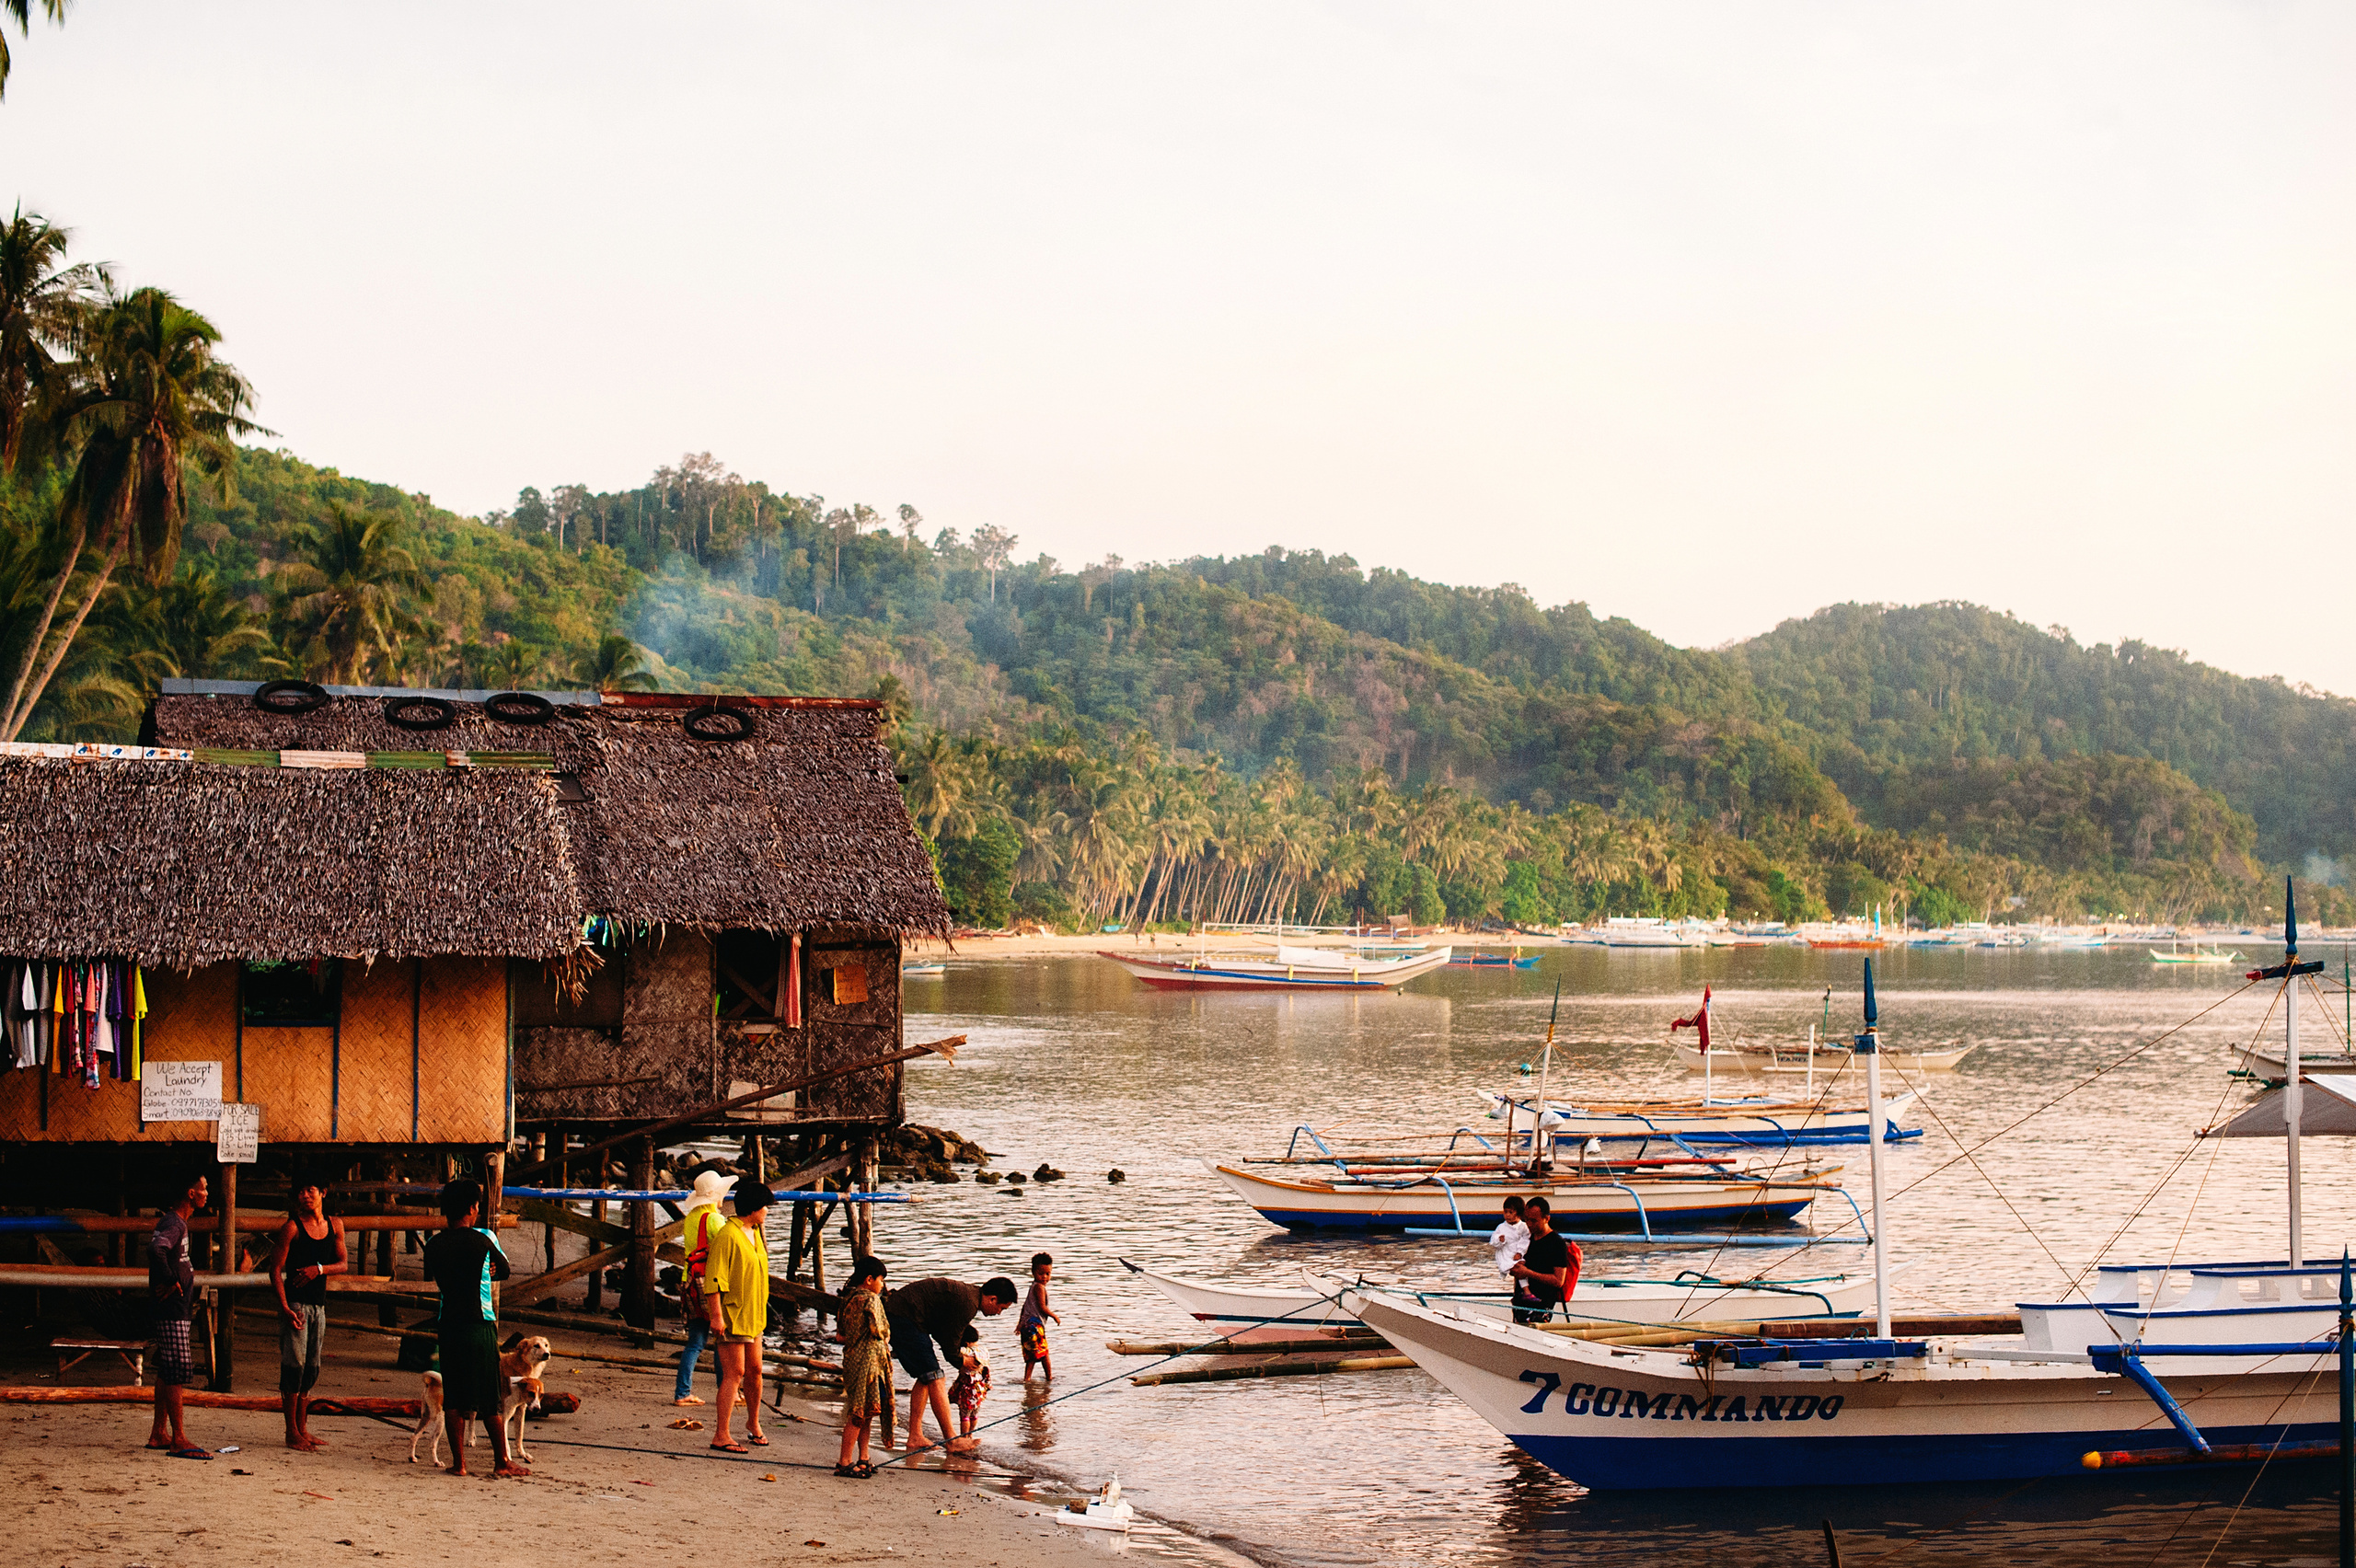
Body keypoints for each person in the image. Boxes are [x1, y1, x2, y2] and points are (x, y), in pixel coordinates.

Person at [421, 1178, 525, 1478]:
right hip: (480, 1324)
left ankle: (460, 1464)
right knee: (490, 1398)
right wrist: (488, 1268)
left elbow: (437, 1272)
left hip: (448, 1324)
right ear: (472, 1208)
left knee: (453, 1397)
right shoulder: (484, 1240)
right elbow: (503, 1270)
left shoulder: (434, 1244)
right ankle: (501, 1461)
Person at [882, 1274, 1018, 1452]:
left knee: (926, 1377)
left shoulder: (969, 1297)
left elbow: (944, 1333)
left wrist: (962, 1357)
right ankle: (952, 1441)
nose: (999, 1313)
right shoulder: (968, 1304)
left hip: (908, 1316)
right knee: (936, 1377)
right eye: (1001, 1308)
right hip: (904, 1317)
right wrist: (962, 1361)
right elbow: (950, 1348)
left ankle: (915, 1436)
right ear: (992, 1299)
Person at [268, 1172, 346, 1452]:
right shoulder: (292, 1228)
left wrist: (319, 1269)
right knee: (293, 1366)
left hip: (319, 1305)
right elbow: (275, 1269)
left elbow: (343, 1263)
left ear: (323, 1192)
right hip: (297, 1305)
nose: (305, 1196)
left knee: (311, 1368)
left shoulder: (335, 1225)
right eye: (301, 1191)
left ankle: (303, 1428)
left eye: (311, 1190)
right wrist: (285, 1306)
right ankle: (291, 1432)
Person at [701, 1178, 773, 1454]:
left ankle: (753, 1423)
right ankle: (721, 1433)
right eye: (765, 1207)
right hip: (732, 1313)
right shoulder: (728, 1235)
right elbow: (714, 1279)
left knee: (755, 1371)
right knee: (735, 1373)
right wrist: (716, 1316)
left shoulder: (754, 1233)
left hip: (754, 1315)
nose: (767, 1211)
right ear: (753, 1208)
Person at [144, 1170, 208, 1458]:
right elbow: (156, 1250)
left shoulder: (179, 1223)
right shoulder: (174, 1222)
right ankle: (179, 1437)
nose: (208, 1193)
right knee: (177, 1371)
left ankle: (159, 1432)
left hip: (175, 1308)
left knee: (166, 1369)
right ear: (191, 1194)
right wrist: (171, 1281)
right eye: (204, 1188)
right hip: (171, 1310)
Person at [672, 1170, 732, 1406]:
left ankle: (682, 1392)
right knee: (721, 1339)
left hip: (691, 1283)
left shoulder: (691, 1218)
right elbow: (728, 1250)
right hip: (711, 1284)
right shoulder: (715, 1219)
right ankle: (725, 1390)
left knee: (695, 1342)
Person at [835, 1256, 891, 1479]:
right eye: (881, 1280)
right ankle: (845, 1460)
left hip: (852, 1358)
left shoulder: (847, 1299)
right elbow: (881, 1330)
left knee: (865, 1410)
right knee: (859, 1412)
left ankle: (863, 1457)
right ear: (869, 1280)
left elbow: (840, 1336)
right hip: (868, 1362)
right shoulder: (871, 1300)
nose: (883, 1286)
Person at [1508, 1195, 1580, 1325]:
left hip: (1541, 1305)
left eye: (1534, 1221)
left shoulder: (1556, 1243)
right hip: (1521, 1302)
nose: (1529, 1224)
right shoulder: (1526, 1239)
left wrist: (1528, 1273)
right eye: (1527, 1220)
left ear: (1546, 1219)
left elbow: (1558, 1281)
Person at [1018, 1252, 1060, 1382]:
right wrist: (1054, 1316)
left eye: (1048, 1274)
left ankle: (1027, 1379)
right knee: (1044, 1354)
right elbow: (1042, 1307)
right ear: (1033, 1272)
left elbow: (1025, 1307)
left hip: (1027, 1325)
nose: (1045, 1277)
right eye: (1041, 1273)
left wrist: (1020, 1324)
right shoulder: (1039, 1288)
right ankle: (1049, 1377)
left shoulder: (1032, 1287)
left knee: (1032, 1355)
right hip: (1035, 1326)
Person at [949, 1326, 990, 1436]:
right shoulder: (984, 1351)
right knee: (974, 1413)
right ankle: (971, 1434)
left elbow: (954, 1351)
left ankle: (964, 1436)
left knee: (964, 1414)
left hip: (967, 1389)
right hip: (979, 1388)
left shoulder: (966, 1351)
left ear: (966, 1342)